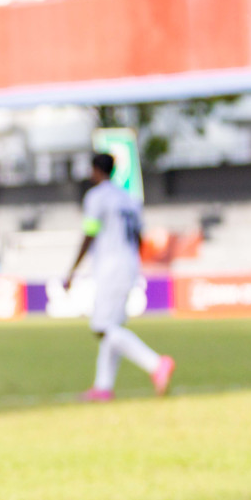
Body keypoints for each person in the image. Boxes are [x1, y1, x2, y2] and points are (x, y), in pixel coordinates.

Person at [63, 153, 175, 401]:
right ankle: (103, 386)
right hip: (129, 264)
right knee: (113, 326)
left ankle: (156, 364)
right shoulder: (130, 199)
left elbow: (89, 233)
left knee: (103, 328)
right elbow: (138, 238)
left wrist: (72, 270)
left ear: (95, 171)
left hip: (110, 266)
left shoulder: (96, 197)